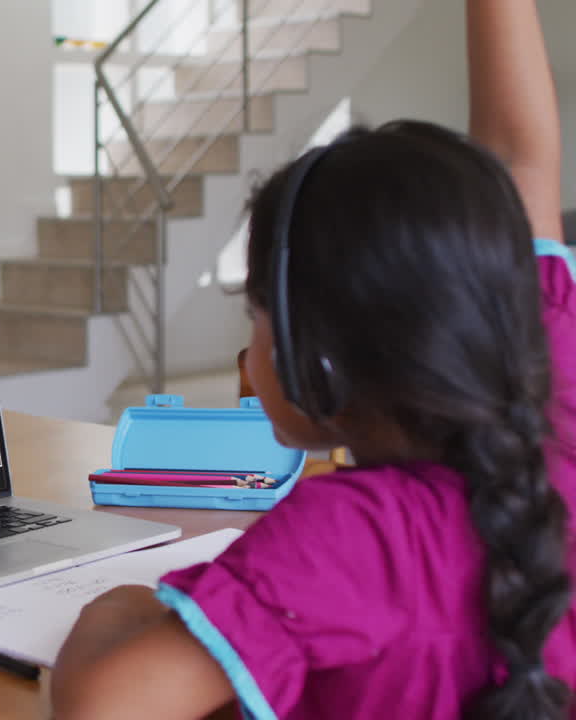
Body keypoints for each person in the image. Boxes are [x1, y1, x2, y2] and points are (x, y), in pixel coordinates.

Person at [51, 2, 576, 719]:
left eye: (256, 311)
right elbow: (521, 159)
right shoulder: (554, 374)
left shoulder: (350, 535)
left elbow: (103, 707)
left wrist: (119, 605)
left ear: (315, 354)